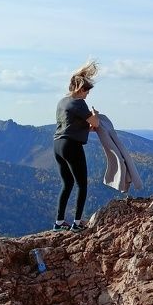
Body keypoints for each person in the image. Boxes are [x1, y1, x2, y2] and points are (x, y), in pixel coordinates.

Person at [53, 61, 100, 231]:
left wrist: (87, 126)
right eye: (86, 90)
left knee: (67, 183)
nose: (87, 94)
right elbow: (95, 123)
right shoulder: (79, 103)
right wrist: (95, 114)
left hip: (58, 145)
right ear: (80, 89)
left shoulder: (62, 102)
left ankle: (59, 223)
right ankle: (77, 223)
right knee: (82, 185)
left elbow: (71, 124)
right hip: (72, 145)